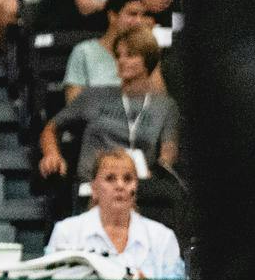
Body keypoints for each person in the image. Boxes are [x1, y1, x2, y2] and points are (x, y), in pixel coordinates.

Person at [40, 26, 179, 183]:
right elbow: (51, 127)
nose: (121, 61)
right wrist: (52, 154)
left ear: (148, 61)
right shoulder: (94, 95)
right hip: (92, 184)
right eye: (118, 55)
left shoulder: (165, 106)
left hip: (138, 185)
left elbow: (168, 152)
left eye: (130, 55)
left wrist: (156, 174)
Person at [46, 147, 185, 280]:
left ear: (136, 187)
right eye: (110, 178)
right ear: (94, 188)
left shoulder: (163, 238)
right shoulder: (66, 233)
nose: (120, 186)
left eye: (128, 179)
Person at [64, 0, 154, 101]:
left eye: (142, 15)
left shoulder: (145, 54)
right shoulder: (84, 52)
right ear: (113, 16)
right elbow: (73, 103)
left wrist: (151, 51)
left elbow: (158, 101)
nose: (139, 21)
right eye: (132, 14)